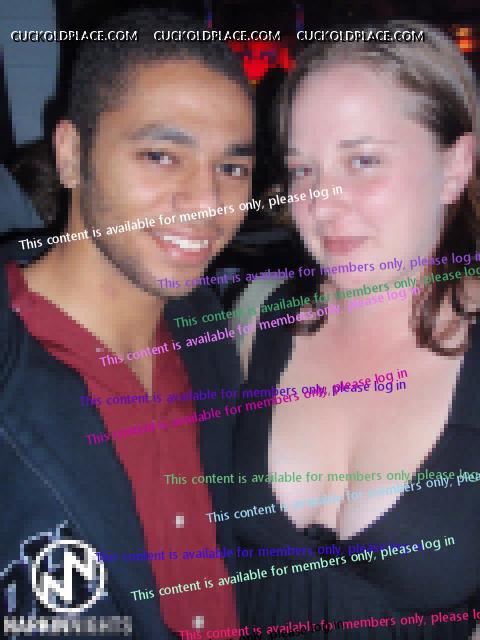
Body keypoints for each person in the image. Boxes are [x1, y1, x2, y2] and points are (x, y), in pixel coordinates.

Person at [0, 8, 253, 638]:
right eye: (161, 156)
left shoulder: (210, 338)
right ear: (71, 155)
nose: (207, 203)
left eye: (232, 168)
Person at [232, 21, 480, 639]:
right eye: (303, 169)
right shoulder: (256, 321)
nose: (321, 202)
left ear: (455, 166)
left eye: (363, 161)